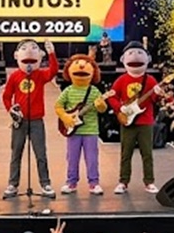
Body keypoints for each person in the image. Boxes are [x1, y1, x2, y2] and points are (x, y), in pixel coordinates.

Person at [103, 42, 164, 194]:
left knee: (147, 153)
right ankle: (123, 181)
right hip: (128, 121)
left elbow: (156, 101)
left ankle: (149, 182)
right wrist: (120, 108)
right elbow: (111, 96)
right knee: (126, 153)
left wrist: (158, 93)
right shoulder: (122, 80)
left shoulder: (150, 80)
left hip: (146, 121)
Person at [2, 40, 58, 197]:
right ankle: (13, 184)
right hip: (19, 121)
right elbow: (6, 96)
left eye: (34, 48)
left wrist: (51, 53)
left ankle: (45, 184)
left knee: (41, 153)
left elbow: (53, 71)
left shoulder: (40, 75)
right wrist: (10, 110)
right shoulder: (14, 76)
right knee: (16, 153)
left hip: (36, 121)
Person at [56, 53, 109, 195]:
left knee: (92, 158)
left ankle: (94, 183)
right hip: (73, 130)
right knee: (72, 157)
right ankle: (71, 182)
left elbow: (102, 109)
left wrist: (101, 104)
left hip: (91, 130)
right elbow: (58, 106)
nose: (81, 67)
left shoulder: (94, 91)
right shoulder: (68, 91)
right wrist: (66, 117)